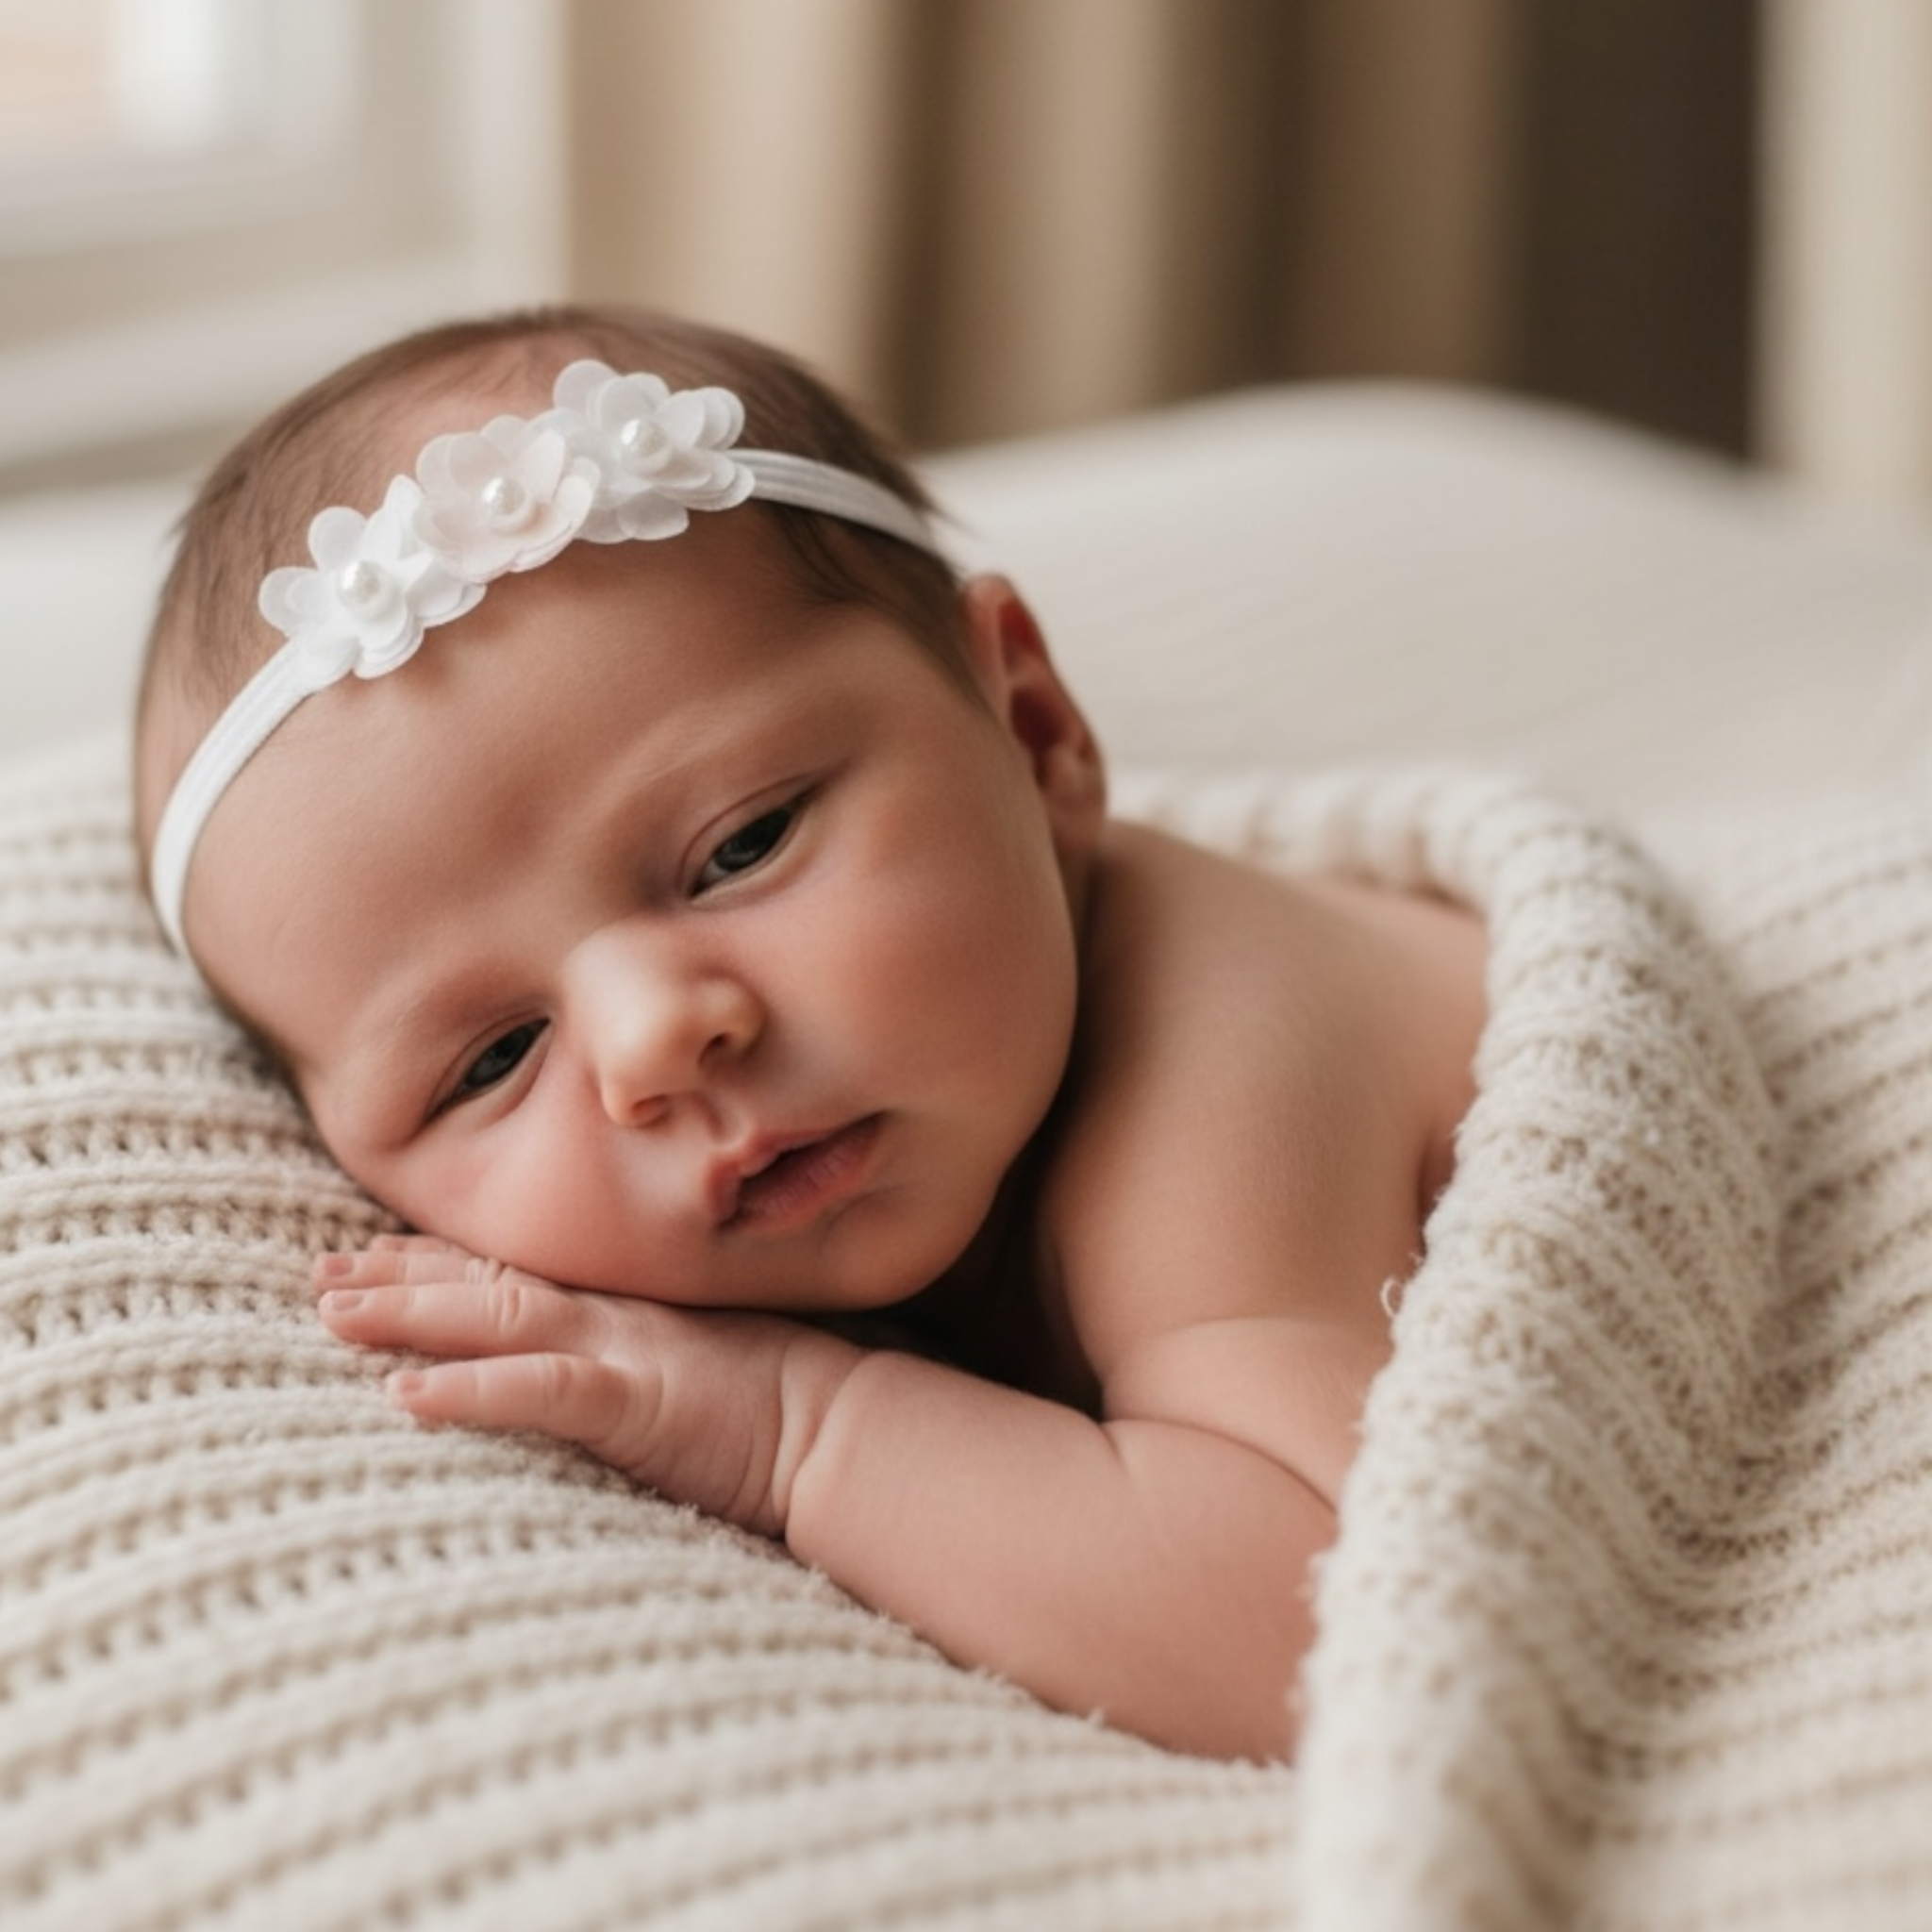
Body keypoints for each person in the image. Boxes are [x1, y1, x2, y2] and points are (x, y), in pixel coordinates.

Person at [133, 305, 1488, 1764]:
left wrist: (792, 1430)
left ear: (1031, 727)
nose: (657, 1042)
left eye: (743, 846)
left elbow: (1327, 1629)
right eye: (491, 1061)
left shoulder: (1215, 1055)